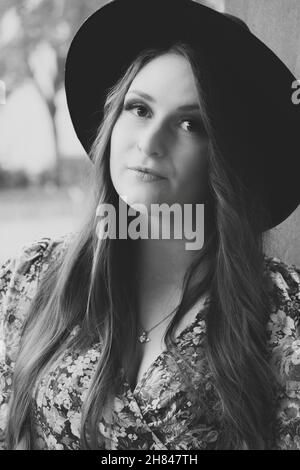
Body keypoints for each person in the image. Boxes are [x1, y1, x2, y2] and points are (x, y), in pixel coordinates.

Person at [0, 0, 300, 450]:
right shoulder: (29, 278)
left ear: (227, 157)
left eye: (190, 124)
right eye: (138, 109)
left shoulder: (283, 312)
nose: (149, 142)